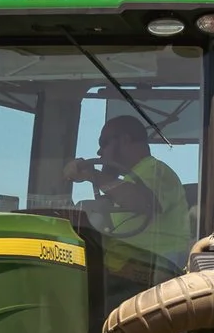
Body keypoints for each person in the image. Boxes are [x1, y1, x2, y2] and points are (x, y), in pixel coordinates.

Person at [70, 113, 193, 298]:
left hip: (154, 271)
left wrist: (92, 175)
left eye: (104, 143)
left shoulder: (156, 170)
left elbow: (141, 202)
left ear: (125, 140)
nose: (99, 153)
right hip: (127, 268)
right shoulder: (130, 180)